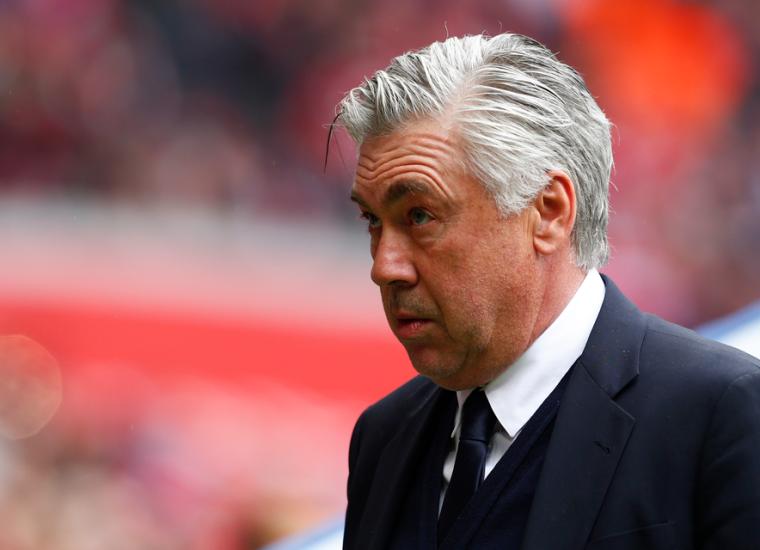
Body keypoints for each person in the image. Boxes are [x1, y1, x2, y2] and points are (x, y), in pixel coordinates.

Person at [336, 33, 760, 549]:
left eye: (420, 216)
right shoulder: (384, 437)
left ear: (549, 212)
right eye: (373, 221)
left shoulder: (722, 414)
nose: (384, 267)